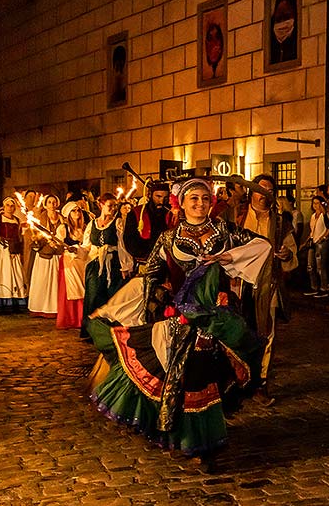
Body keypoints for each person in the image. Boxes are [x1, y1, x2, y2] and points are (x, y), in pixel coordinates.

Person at [86, 178, 272, 471]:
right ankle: (192, 439)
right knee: (188, 379)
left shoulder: (223, 231)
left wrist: (228, 260)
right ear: (181, 203)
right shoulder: (168, 239)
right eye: (193, 199)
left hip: (217, 318)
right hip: (182, 320)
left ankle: (206, 436)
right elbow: (151, 277)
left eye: (204, 199)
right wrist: (143, 303)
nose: (200, 204)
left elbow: (259, 246)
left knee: (214, 375)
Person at [234, 174, 298, 404]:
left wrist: (287, 254)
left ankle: (260, 382)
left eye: (270, 190)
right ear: (252, 191)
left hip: (268, 284)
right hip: (239, 284)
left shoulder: (281, 222)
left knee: (265, 334)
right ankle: (237, 379)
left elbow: (292, 252)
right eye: (261, 189)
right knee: (237, 331)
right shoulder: (236, 217)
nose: (265, 194)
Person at [79, 193, 133, 338]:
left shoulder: (118, 222)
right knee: (93, 296)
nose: (114, 208)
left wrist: (125, 266)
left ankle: (111, 332)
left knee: (112, 297)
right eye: (110, 205)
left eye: (115, 205)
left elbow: (122, 246)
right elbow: (86, 246)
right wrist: (76, 250)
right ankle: (90, 331)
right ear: (101, 205)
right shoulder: (92, 224)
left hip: (113, 265)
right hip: (95, 266)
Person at [0, 195, 28, 313]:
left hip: (13, 249)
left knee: (15, 274)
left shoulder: (17, 220)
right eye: (8, 205)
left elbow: (19, 237)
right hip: (0, 249)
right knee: (1, 273)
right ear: (4, 207)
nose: (10, 208)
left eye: (12, 206)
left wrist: (19, 250)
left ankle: (15, 301)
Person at [27, 195, 64, 318]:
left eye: (54, 202)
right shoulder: (41, 219)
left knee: (56, 284)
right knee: (42, 282)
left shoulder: (62, 219)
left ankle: (55, 308)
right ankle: (39, 308)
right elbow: (37, 236)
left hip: (57, 254)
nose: (52, 204)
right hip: (44, 255)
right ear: (46, 204)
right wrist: (37, 239)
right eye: (49, 202)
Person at [123, 181, 172, 267]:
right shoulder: (136, 213)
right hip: (144, 260)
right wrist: (145, 255)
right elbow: (129, 239)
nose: (161, 201)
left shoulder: (171, 213)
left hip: (167, 261)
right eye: (158, 196)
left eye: (166, 197)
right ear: (150, 195)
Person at [56, 201, 87, 330]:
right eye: (73, 211)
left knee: (83, 288)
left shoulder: (85, 228)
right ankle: (71, 318)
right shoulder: (63, 228)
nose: (77, 213)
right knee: (71, 289)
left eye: (78, 210)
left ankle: (82, 318)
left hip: (82, 261)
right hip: (69, 262)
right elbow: (58, 244)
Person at [304, 195, 329, 296]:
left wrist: (322, 238)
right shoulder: (313, 216)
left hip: (321, 242)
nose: (315, 205)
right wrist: (306, 241)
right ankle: (314, 286)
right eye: (314, 203)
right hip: (313, 241)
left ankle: (323, 287)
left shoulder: (325, 215)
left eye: (317, 203)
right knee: (310, 265)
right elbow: (312, 230)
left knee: (320, 266)